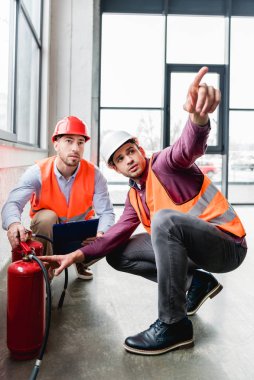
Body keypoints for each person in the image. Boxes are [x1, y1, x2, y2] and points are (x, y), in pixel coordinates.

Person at [40, 67, 247, 354]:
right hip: (197, 250)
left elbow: (188, 147)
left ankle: (174, 324)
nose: (129, 160)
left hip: (227, 247)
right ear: (115, 168)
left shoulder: (166, 164)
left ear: (140, 148)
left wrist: (198, 118)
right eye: (121, 159)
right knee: (118, 252)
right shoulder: (134, 197)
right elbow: (114, 235)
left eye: (130, 151)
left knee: (164, 220)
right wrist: (76, 255)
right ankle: (196, 282)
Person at [1, 116, 115, 280]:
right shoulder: (37, 171)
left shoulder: (95, 174)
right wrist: (14, 223)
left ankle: (81, 261)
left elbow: (107, 213)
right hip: (49, 233)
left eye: (80, 142)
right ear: (56, 144)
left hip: (79, 236)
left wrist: (101, 234)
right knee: (47, 218)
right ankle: (45, 273)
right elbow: (13, 202)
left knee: (109, 236)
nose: (75, 148)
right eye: (69, 141)